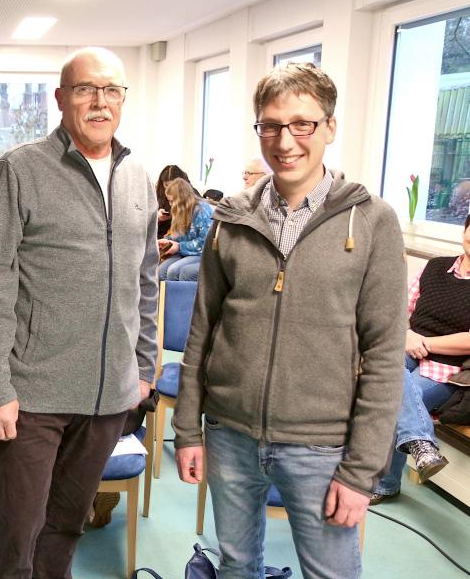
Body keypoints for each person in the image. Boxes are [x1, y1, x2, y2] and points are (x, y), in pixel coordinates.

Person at [172, 62, 406, 579]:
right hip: (230, 434)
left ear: (329, 128)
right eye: (271, 125)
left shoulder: (370, 221)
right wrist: (187, 429)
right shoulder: (231, 219)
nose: (285, 140)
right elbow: (203, 332)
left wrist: (362, 469)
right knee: (237, 567)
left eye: (302, 124)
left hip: (321, 446)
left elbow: (386, 354)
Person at [0, 47, 159, 578]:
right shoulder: (19, 171)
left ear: (123, 98)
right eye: (85, 89)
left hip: (107, 397)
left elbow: (145, 280)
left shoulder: (139, 175)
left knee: (67, 525)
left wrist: (143, 367)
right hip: (34, 395)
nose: (100, 102)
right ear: (60, 98)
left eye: (111, 90)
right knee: (17, 532)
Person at [370, 213, 470, 505]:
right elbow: (400, 307)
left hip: (447, 368)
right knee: (382, 371)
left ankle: (388, 483)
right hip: (408, 346)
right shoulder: (435, 266)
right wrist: (407, 334)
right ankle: (422, 445)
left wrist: (422, 341)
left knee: (390, 395)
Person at [157, 177, 214, 281]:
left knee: (173, 271)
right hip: (185, 251)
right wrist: (168, 241)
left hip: (202, 254)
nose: (170, 205)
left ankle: (178, 297)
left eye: (172, 201)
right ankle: (167, 297)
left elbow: (204, 243)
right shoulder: (180, 210)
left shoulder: (202, 210)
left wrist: (179, 247)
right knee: (160, 272)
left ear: (181, 199)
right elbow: (181, 236)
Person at [155, 164, 194, 237]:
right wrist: (158, 218)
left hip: (182, 237)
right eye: (166, 185)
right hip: (162, 235)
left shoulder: (192, 196)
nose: (169, 189)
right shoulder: (158, 195)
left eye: (173, 185)